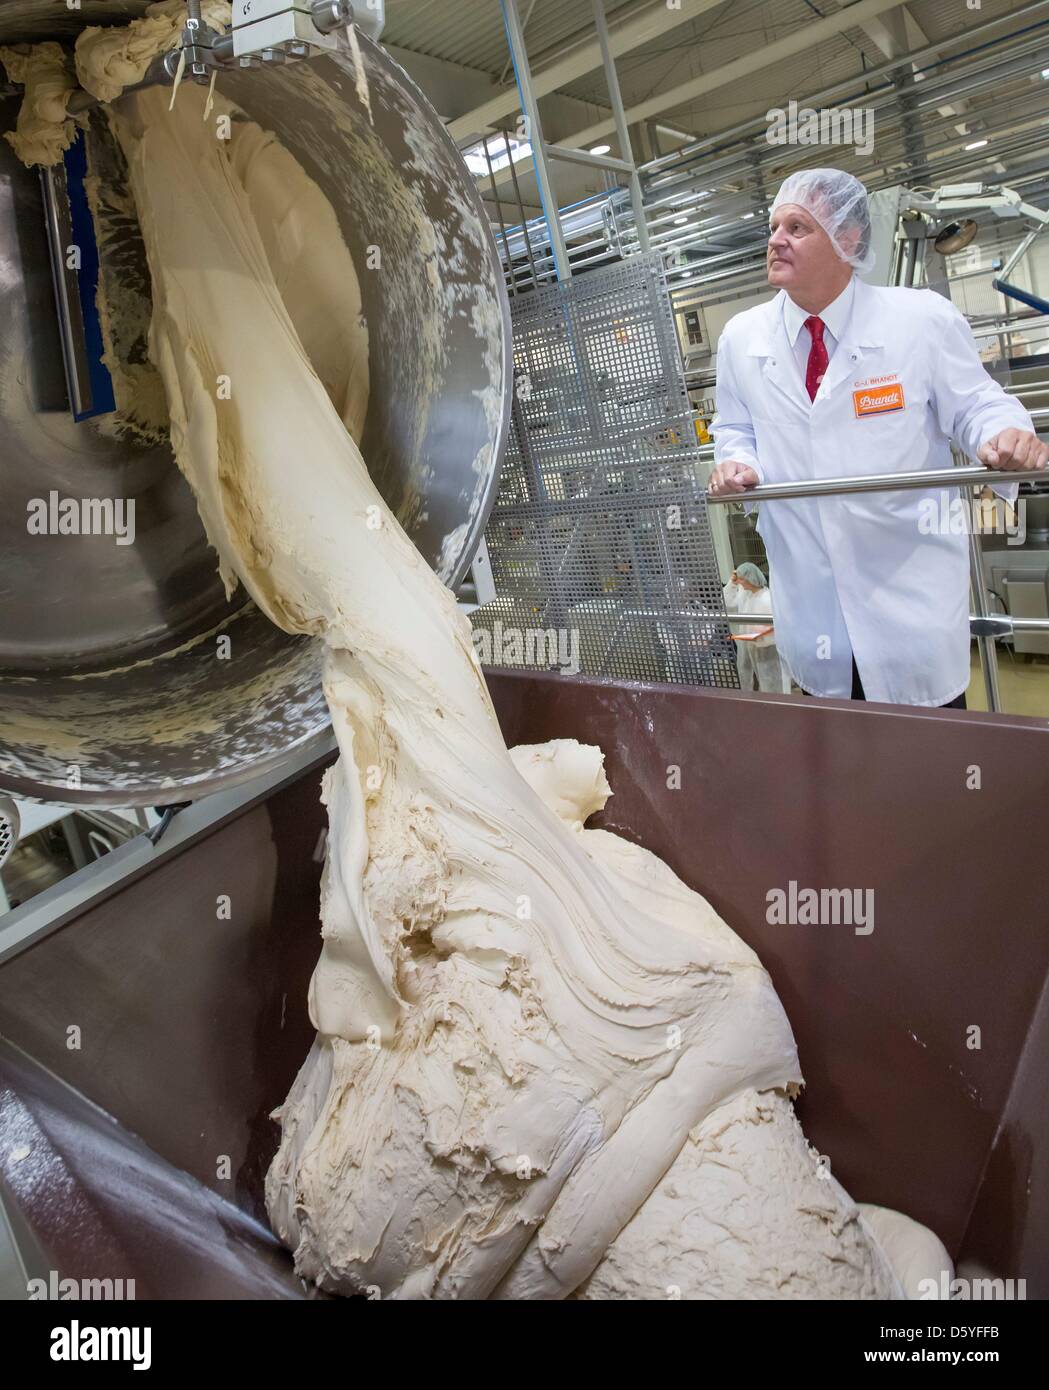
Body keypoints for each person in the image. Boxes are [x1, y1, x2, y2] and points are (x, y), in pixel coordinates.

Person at [708, 168, 1048, 707]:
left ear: (847, 240)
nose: (775, 239)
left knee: (928, 772)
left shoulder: (919, 321)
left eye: (797, 227)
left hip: (909, 606)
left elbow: (978, 404)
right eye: (774, 226)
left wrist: (1005, 434)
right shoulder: (741, 338)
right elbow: (733, 429)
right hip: (811, 607)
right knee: (837, 769)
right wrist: (735, 462)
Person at [723, 562, 788, 692]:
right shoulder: (745, 594)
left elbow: (777, 628)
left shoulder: (767, 598)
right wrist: (732, 582)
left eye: (741, 579)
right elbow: (728, 602)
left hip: (766, 647)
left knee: (770, 680)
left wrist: (760, 635)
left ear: (750, 578)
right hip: (748, 644)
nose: (739, 582)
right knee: (746, 672)